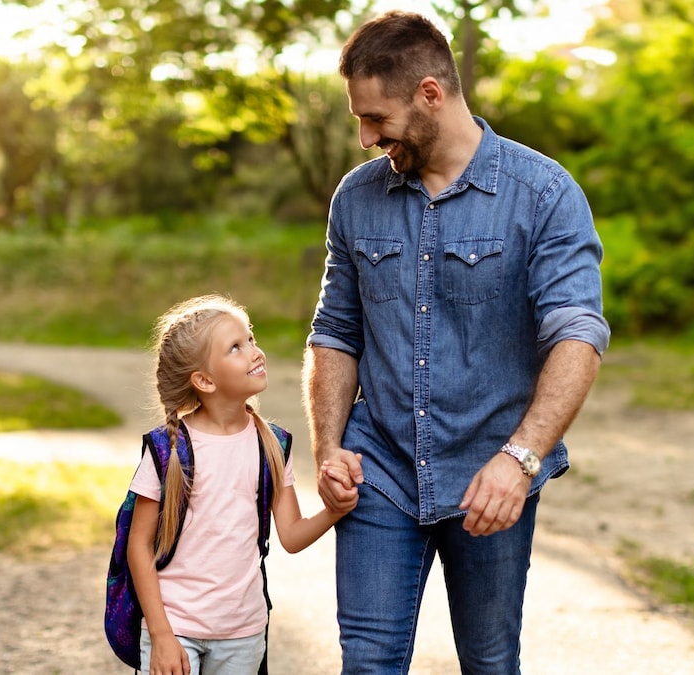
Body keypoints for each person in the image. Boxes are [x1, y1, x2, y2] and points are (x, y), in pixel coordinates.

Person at [304, 10, 611, 674]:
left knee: (491, 661)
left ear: (431, 95)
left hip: (491, 473)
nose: (363, 137)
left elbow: (578, 332)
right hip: (378, 468)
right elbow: (335, 331)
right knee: (367, 663)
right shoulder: (356, 199)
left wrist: (520, 459)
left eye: (375, 118)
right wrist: (329, 449)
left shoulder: (545, 194)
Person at [127, 294, 357, 675]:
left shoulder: (272, 445)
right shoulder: (169, 450)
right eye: (236, 347)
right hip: (175, 626)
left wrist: (334, 511)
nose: (255, 352)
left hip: (243, 633)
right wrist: (161, 634)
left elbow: (292, 535)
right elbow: (139, 545)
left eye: (251, 338)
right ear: (204, 380)